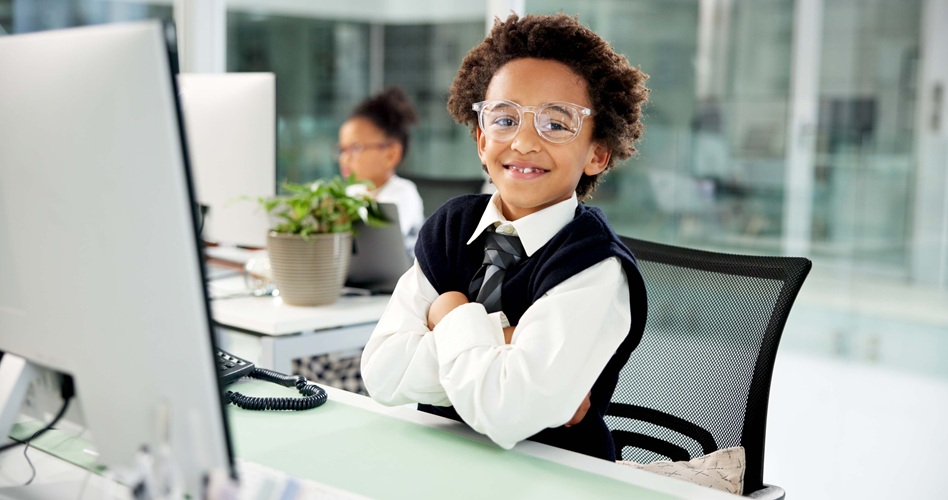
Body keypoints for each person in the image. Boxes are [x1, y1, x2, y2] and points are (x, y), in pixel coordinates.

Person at [359, 13, 650, 461]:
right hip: (439, 461)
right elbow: (382, 373)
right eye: (504, 118)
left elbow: (507, 413)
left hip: (555, 478)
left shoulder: (595, 266)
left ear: (597, 152)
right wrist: (505, 338)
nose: (524, 142)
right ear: (480, 139)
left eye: (556, 123)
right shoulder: (452, 228)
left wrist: (451, 311)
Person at [338, 86, 425, 257]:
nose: (344, 159)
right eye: (342, 150)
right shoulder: (351, 192)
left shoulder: (404, 193)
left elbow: (381, 242)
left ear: (391, 154)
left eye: (355, 148)